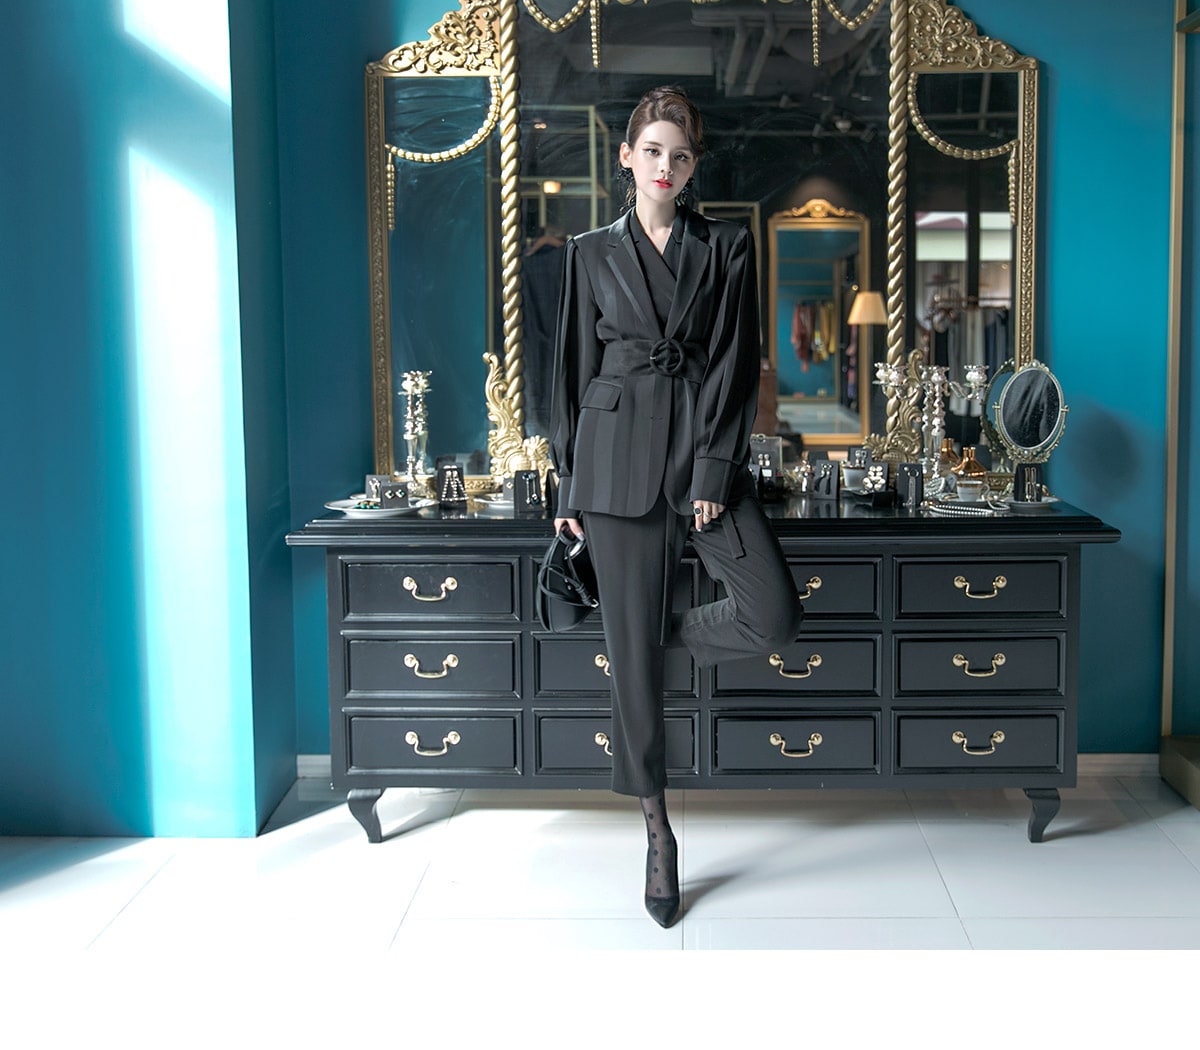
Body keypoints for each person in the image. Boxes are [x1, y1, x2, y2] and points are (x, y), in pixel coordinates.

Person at [550, 86, 804, 929]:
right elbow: (570, 373)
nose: (666, 166)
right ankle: (657, 830)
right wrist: (568, 485)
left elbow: (736, 359)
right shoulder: (588, 251)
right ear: (627, 157)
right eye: (653, 151)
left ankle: (648, 636)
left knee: (771, 612)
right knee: (631, 678)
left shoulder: (725, 245)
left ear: (694, 168)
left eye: (681, 155)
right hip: (613, 461)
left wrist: (714, 469)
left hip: (701, 453)